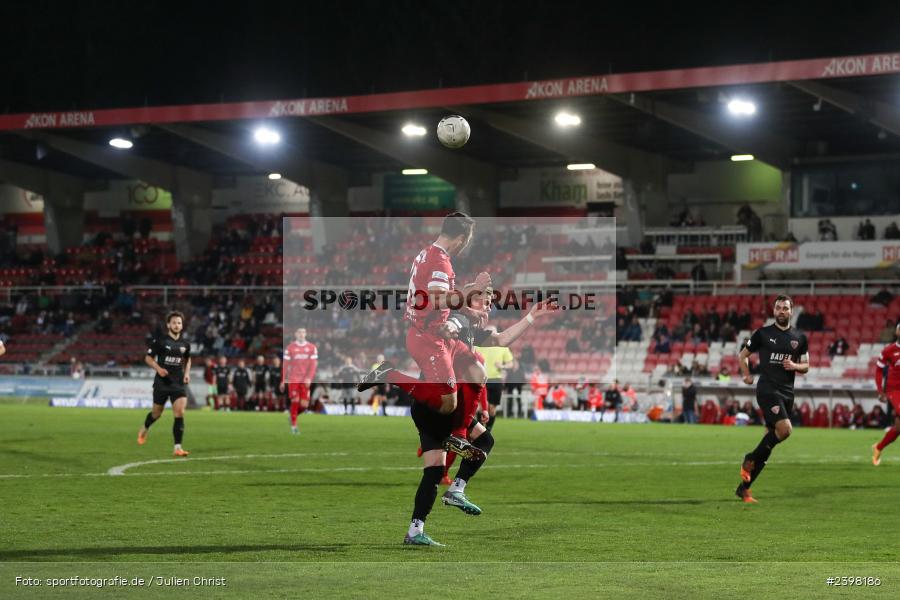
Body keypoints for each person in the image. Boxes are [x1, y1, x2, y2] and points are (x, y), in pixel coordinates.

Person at [356, 212, 490, 546]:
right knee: (448, 401)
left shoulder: (429, 255)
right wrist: (469, 292)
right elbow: (436, 299)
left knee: (476, 368)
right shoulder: (440, 261)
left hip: (437, 336)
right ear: (462, 238)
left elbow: (439, 300)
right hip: (427, 337)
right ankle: (390, 374)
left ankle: (416, 529)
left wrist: (466, 311)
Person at [736, 295, 809, 503]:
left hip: (787, 393)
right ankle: (749, 458)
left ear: (791, 312)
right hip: (768, 389)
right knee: (785, 430)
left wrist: (794, 367)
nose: (781, 311)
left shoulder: (799, 338)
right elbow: (743, 356)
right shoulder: (763, 333)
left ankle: (744, 488)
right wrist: (747, 375)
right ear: (774, 311)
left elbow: (806, 366)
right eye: (778, 308)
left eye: (785, 308)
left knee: (769, 442)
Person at [137, 311, 192, 457]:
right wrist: (159, 369)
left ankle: (177, 447)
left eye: (179, 323)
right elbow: (148, 358)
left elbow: (188, 359)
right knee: (157, 413)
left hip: (178, 383)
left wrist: (186, 373)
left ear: (182, 325)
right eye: (174, 322)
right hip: (162, 383)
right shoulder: (160, 341)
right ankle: (145, 426)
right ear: (168, 325)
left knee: (180, 412)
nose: (176, 325)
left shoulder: (185, 344)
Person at [474, 325, 513, 429]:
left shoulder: (503, 348)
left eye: (493, 333)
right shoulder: (478, 346)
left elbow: (511, 364)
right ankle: (480, 430)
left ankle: (488, 429)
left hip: (496, 380)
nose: (491, 335)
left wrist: (503, 366)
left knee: (492, 408)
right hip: (482, 380)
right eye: (489, 332)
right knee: (481, 407)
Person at [872, 322, 900, 466]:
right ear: (897, 332)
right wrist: (880, 390)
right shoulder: (889, 350)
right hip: (894, 390)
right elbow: (878, 370)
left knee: (898, 428)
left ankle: (878, 447)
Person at [283, 327, 318, 434]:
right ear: (295, 334)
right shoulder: (290, 348)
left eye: (303, 332)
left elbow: (313, 365)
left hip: (305, 380)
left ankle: (292, 416)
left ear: (306, 334)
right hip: (293, 379)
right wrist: (283, 379)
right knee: (295, 401)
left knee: (304, 406)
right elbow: (285, 365)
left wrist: (309, 378)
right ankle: (294, 427)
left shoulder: (312, 347)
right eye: (299, 332)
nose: (301, 334)